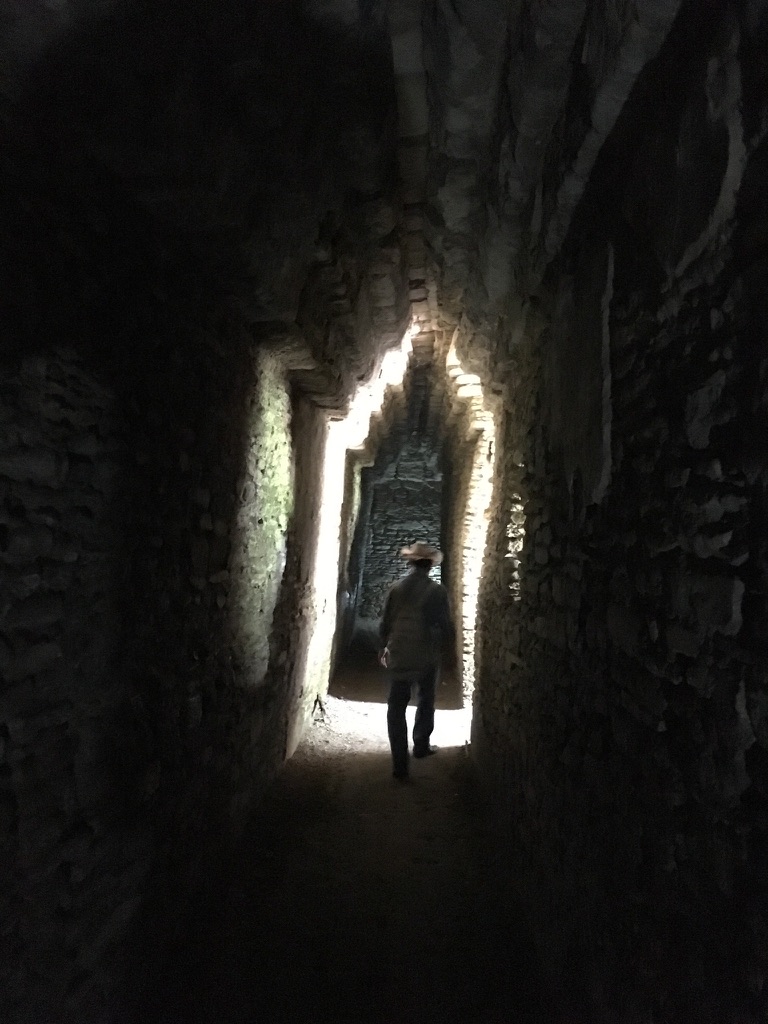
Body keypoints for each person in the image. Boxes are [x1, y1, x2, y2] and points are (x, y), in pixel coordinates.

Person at [378, 541, 456, 780]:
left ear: (411, 564)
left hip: (400, 653)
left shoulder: (396, 589)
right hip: (425, 654)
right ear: (430, 565)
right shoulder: (437, 592)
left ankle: (399, 763)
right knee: (425, 699)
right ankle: (421, 744)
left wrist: (383, 648)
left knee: (396, 707)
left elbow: (385, 624)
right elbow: (444, 626)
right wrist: (448, 652)